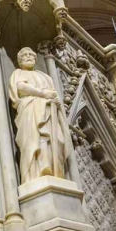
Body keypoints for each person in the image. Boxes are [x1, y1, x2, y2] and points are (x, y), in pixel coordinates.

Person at [9, 47, 70, 183]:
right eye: (25, 55)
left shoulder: (46, 76)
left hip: (49, 114)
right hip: (31, 113)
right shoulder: (18, 73)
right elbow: (20, 88)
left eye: (32, 55)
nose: (29, 57)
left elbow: (54, 94)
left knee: (55, 142)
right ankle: (35, 176)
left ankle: (55, 173)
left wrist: (55, 101)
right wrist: (42, 94)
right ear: (19, 60)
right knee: (35, 142)